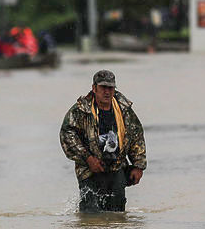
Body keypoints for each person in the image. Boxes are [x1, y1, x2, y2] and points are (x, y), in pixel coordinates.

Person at [60, 70, 147, 212]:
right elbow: (67, 134)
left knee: (117, 216)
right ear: (94, 88)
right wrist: (88, 158)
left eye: (110, 88)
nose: (107, 92)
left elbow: (136, 135)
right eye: (103, 87)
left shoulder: (124, 109)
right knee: (90, 215)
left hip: (116, 166)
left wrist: (138, 165)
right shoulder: (81, 110)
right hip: (89, 170)